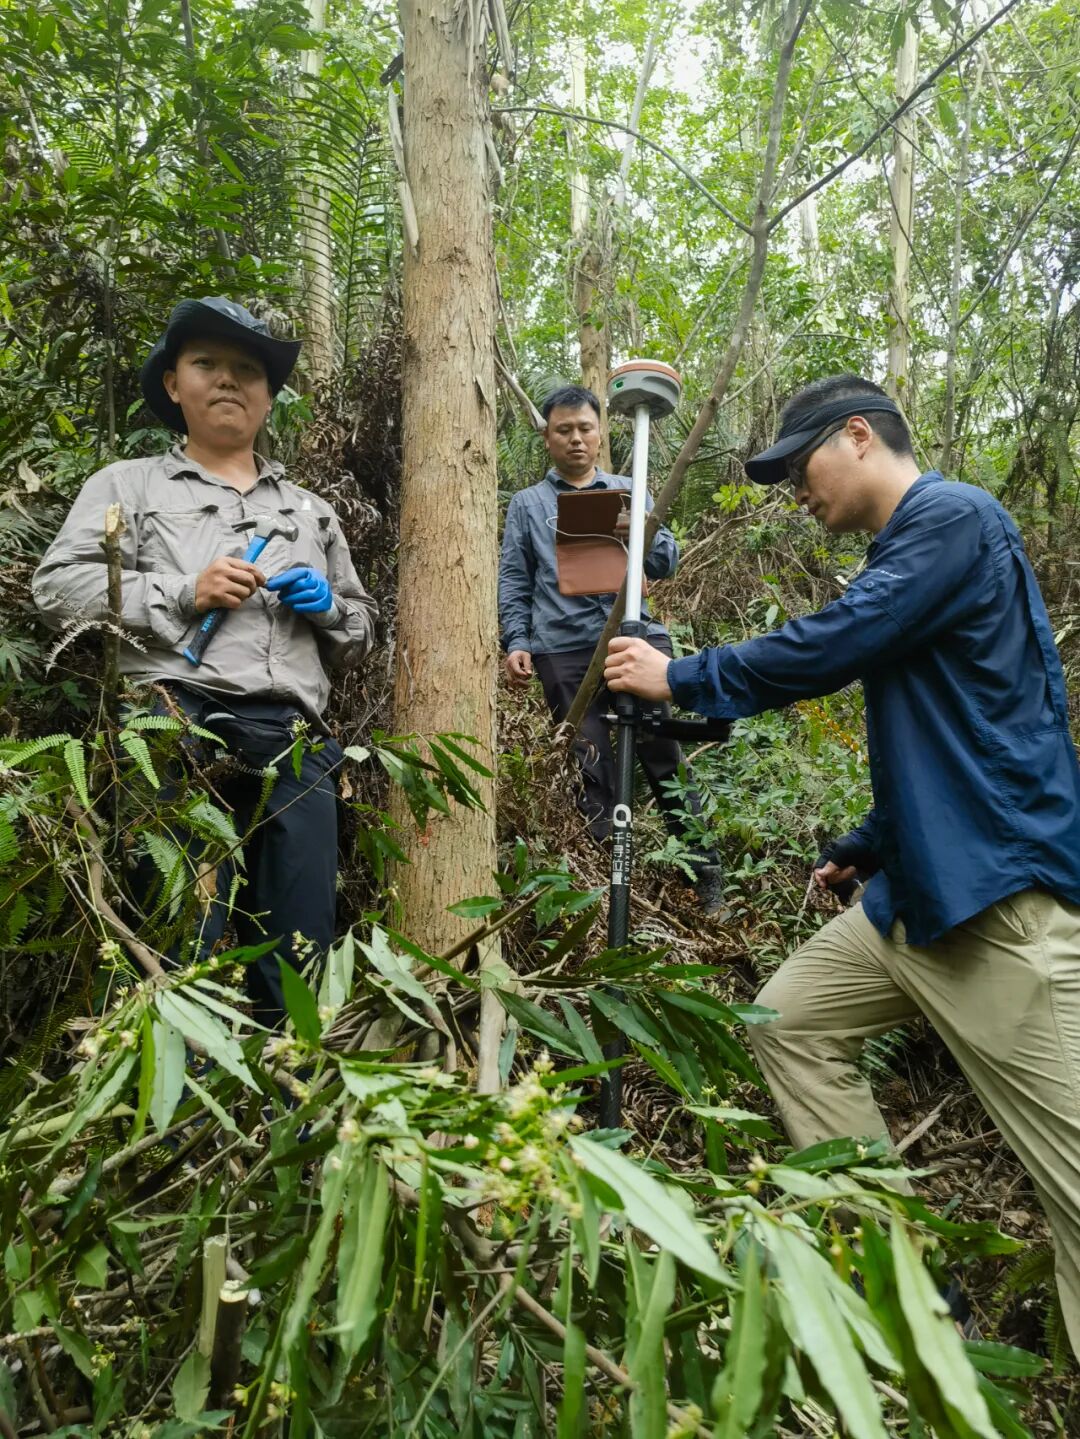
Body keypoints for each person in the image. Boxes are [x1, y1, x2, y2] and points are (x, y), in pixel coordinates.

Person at [603, 372, 1080, 1354]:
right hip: (919, 894)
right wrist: (865, 842)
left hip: (1000, 904)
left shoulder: (952, 519)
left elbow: (837, 642)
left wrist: (681, 674)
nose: (795, 493)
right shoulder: (911, 552)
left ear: (858, 434)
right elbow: (957, 726)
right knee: (791, 1021)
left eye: (799, 467)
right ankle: (914, 1291)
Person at [33, 296, 377, 1023]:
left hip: (296, 737)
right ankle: (176, 1090)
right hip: (173, 721)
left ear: (269, 396)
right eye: (206, 364)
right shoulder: (128, 485)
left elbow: (359, 632)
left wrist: (328, 609)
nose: (228, 380)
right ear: (173, 384)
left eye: (247, 370)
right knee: (178, 934)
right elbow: (57, 589)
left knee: (302, 947)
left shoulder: (312, 511)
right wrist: (184, 590)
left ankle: (290, 1085)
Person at [498, 383, 725, 913]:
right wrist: (516, 641)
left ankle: (705, 874)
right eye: (564, 430)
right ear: (548, 437)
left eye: (585, 428)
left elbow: (665, 563)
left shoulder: (631, 487)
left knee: (663, 755)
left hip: (632, 638)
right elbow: (515, 578)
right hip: (562, 647)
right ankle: (604, 889)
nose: (576, 439)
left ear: (601, 433)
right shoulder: (528, 504)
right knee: (590, 764)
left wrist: (640, 529)